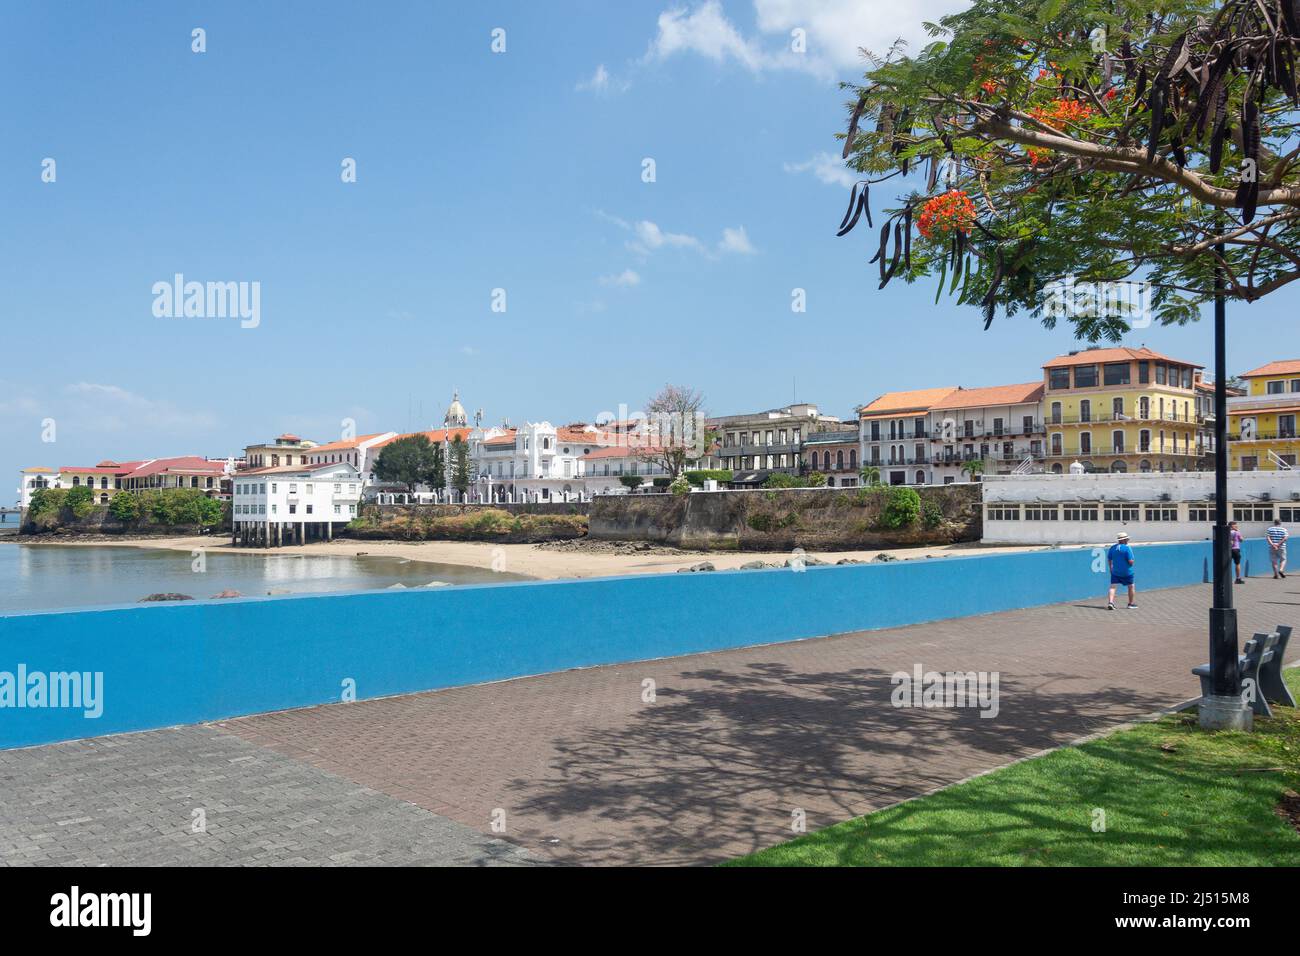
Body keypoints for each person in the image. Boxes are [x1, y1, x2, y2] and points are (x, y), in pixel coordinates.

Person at [1107, 531, 1137, 610]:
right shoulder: (1127, 548)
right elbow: (1131, 562)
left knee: (1112, 587)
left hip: (1115, 572)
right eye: (1127, 539)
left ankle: (1111, 602)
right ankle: (1130, 604)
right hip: (1127, 572)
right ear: (1124, 540)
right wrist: (1131, 563)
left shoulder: (1112, 548)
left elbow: (1109, 559)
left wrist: (1110, 568)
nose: (1128, 540)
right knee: (1131, 586)